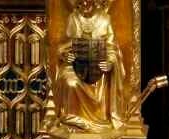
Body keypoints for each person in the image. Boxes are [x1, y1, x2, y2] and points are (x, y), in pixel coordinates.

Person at [53, 0, 126, 131]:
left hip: (97, 66)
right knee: (70, 82)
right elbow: (62, 47)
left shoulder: (105, 19)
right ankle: (72, 120)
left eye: (88, 1)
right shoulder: (73, 18)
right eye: (81, 2)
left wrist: (109, 62)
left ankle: (100, 118)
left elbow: (112, 48)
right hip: (75, 66)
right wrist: (65, 55)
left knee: (100, 76)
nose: (84, 4)